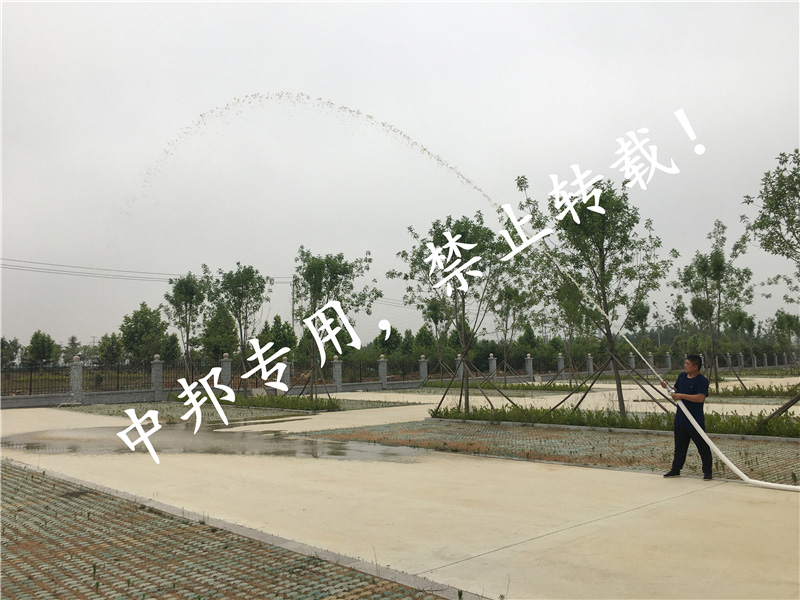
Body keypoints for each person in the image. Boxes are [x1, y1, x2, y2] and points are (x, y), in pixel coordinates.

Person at [660, 355, 713, 480]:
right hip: (681, 419)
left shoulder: (702, 380)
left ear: (695, 367)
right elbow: (676, 390)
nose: (685, 365)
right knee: (679, 447)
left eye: (687, 364)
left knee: (702, 446)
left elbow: (700, 398)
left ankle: (707, 472)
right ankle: (675, 470)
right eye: (685, 363)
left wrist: (682, 396)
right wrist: (667, 386)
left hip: (695, 421)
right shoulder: (682, 376)